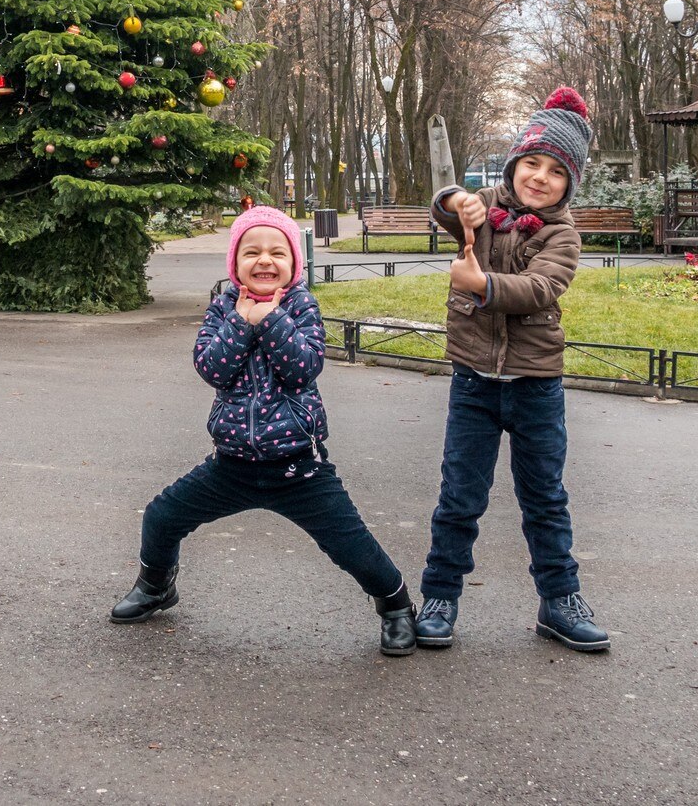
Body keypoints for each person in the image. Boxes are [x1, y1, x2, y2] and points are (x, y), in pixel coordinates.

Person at [109, 205, 419, 656]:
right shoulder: (222, 308)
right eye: (251, 252)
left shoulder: (301, 305)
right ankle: (156, 586)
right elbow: (211, 368)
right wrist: (240, 322)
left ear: (294, 263)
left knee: (351, 545)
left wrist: (270, 320)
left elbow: (303, 368)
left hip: (298, 469)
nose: (265, 260)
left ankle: (396, 607)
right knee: (161, 516)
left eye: (277, 252)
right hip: (230, 466)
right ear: (235, 263)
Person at [416, 87, 609, 653]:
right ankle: (440, 596)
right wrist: (456, 201)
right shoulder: (486, 207)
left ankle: (559, 601)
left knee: (545, 497)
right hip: (473, 384)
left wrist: (482, 285)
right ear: (515, 162)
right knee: (459, 496)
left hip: (535, 387)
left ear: (570, 182)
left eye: (557, 170)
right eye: (533, 163)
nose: (541, 177)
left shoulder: (562, 235)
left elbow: (540, 288)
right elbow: (444, 210)